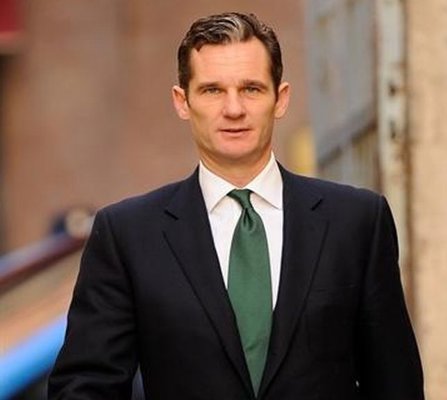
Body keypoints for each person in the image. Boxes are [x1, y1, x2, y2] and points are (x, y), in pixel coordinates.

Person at [48, 12, 424, 400]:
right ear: (182, 101)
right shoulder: (128, 235)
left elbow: (396, 384)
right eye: (212, 90)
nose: (233, 109)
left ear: (280, 98)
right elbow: (83, 389)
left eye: (251, 89)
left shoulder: (356, 223)